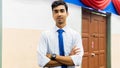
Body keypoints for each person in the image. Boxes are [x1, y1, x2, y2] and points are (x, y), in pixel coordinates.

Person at [37, 0, 84, 68]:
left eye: (62, 11)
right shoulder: (45, 35)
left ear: (67, 13)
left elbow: (77, 61)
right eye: (56, 11)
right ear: (53, 15)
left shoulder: (75, 35)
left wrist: (54, 56)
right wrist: (68, 58)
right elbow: (41, 62)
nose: (59, 14)